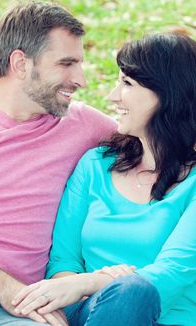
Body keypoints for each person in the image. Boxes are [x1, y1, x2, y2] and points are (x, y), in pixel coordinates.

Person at [11, 33, 196, 326]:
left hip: (169, 318)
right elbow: (63, 262)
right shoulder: (96, 165)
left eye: (127, 83)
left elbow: (171, 274)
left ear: (168, 93)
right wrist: (87, 286)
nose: (112, 96)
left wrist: (91, 282)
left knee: (134, 291)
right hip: (91, 313)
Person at [0, 1, 117, 326]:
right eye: (66, 63)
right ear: (20, 63)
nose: (81, 80)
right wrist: (4, 286)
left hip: (39, 299)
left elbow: (162, 142)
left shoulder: (84, 124)